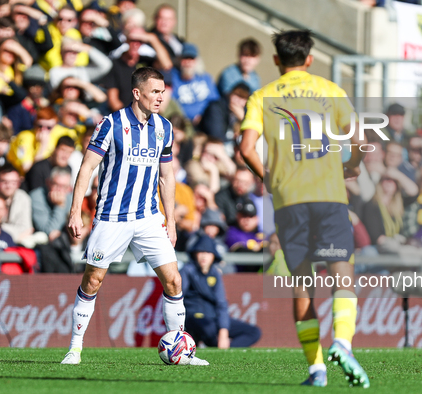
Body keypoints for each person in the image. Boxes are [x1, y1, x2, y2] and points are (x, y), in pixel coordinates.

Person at [239, 30, 370, 387]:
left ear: (276, 60)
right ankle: (342, 343)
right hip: (328, 195)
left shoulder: (262, 96)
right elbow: (359, 140)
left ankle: (316, 371)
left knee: (302, 284)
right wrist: (353, 165)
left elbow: (246, 148)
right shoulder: (330, 90)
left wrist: (269, 179)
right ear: (310, 59)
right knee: (342, 273)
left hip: (289, 201)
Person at [61, 67, 208, 366]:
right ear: (137, 93)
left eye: (163, 92)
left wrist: (172, 222)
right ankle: (74, 348)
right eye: (154, 92)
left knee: (174, 281)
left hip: (149, 217)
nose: (160, 97)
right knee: (93, 281)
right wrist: (76, 211)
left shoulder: (164, 128)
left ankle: (181, 349)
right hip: (112, 216)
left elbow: (167, 176)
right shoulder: (110, 124)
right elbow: (87, 168)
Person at [181, 234, 261, 348]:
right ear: (194, 254)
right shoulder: (187, 271)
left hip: (213, 318)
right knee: (206, 329)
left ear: (214, 256)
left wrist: (223, 332)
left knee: (254, 332)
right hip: (193, 317)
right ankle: (215, 344)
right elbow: (178, 297)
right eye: (201, 252)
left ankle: (228, 349)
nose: (204, 256)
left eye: (208, 253)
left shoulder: (215, 274)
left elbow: (221, 303)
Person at [167, 43, 220, 125]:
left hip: (206, 120)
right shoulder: (173, 78)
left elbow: (214, 101)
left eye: (191, 59)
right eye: (185, 59)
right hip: (183, 122)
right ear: (180, 60)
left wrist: (202, 116)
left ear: (197, 61)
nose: (188, 62)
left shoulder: (205, 78)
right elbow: (172, 104)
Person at [30, 166, 73, 242]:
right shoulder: (36, 197)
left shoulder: (71, 197)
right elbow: (48, 231)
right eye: (56, 184)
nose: (59, 190)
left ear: (69, 188)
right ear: (48, 183)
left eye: (63, 187)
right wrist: (60, 206)